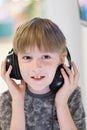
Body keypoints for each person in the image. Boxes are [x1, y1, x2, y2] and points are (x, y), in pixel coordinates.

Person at [0, 17, 86, 130]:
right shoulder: (8, 99)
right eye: (27, 57)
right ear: (15, 62)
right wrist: (18, 102)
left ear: (61, 60)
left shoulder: (71, 96)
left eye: (46, 57)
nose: (36, 67)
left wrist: (61, 105)